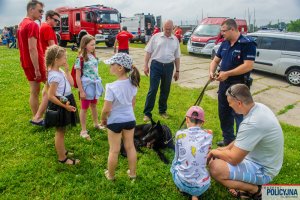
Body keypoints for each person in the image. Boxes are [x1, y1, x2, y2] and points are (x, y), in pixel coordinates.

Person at [207, 84, 284, 199]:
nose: (229, 105)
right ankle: (243, 185)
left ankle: (255, 190)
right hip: (263, 161)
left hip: (263, 170)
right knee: (220, 155)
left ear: (239, 103)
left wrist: (214, 152)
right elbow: (242, 138)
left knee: (215, 167)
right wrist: (224, 149)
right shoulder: (257, 107)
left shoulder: (252, 123)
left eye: (230, 103)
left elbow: (234, 159)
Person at [209, 18, 256, 147]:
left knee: (239, 115)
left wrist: (227, 73)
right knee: (223, 113)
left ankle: (241, 144)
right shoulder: (224, 44)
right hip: (224, 85)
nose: (221, 34)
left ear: (233, 29)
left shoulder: (247, 43)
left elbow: (248, 66)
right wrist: (211, 72)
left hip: (239, 86)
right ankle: (228, 139)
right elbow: (215, 61)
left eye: (223, 31)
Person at [101, 53, 140, 181]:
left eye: (112, 64)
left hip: (115, 122)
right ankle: (132, 173)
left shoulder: (111, 87)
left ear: (120, 68)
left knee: (114, 150)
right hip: (130, 119)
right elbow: (132, 104)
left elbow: (107, 109)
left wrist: (103, 119)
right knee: (130, 146)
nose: (110, 66)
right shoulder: (133, 83)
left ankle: (111, 175)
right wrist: (127, 114)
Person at [45, 45, 80, 165]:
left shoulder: (59, 71)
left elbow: (71, 82)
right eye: (64, 58)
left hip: (66, 99)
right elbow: (50, 96)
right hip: (61, 103)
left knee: (63, 129)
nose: (66, 60)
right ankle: (62, 158)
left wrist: (66, 70)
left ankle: (63, 151)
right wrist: (65, 106)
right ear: (56, 60)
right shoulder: (54, 76)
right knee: (60, 131)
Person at [171, 106, 212, 200]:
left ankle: (183, 188)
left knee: (174, 162)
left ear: (186, 120)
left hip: (181, 182)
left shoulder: (179, 134)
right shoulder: (209, 135)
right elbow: (209, 131)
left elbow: (177, 156)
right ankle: (195, 195)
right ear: (203, 122)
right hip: (203, 186)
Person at [143, 20, 181, 122]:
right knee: (153, 89)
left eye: (169, 29)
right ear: (163, 28)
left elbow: (177, 57)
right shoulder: (156, 37)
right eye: (166, 29)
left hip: (169, 67)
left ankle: (162, 111)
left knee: (165, 89)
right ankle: (147, 113)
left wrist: (177, 71)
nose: (167, 31)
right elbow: (148, 52)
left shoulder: (175, 40)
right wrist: (145, 65)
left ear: (173, 28)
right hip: (156, 65)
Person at [18, 0, 47, 126]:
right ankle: (40, 115)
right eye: (40, 11)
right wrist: (37, 68)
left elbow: (21, 46)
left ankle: (37, 117)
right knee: (53, 85)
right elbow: (32, 48)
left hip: (25, 61)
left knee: (34, 91)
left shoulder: (21, 24)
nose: (42, 14)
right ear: (31, 10)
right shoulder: (32, 25)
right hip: (35, 63)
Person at [75, 35, 104, 141]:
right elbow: (77, 76)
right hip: (86, 86)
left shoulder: (92, 56)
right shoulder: (80, 58)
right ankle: (83, 130)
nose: (94, 46)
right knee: (84, 108)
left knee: (94, 105)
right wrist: (81, 91)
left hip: (94, 85)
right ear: (85, 45)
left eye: (94, 44)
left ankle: (96, 124)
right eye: (91, 44)